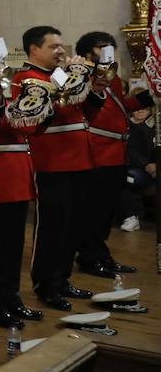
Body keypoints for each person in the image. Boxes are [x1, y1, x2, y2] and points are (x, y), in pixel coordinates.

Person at [14, 26, 96, 311]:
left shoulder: (56, 75)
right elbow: (53, 111)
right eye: (54, 47)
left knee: (72, 225)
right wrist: (72, 79)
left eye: (62, 46)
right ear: (34, 50)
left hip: (77, 160)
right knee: (52, 227)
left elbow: (82, 108)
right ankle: (45, 283)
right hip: (51, 163)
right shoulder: (26, 78)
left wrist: (90, 82)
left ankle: (62, 278)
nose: (62, 51)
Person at [77, 30, 147, 277]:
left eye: (110, 46)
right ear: (87, 53)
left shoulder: (113, 77)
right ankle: (90, 257)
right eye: (100, 47)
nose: (107, 50)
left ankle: (101, 254)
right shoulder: (82, 77)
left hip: (118, 153)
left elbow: (122, 106)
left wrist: (149, 96)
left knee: (108, 210)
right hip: (97, 153)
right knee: (94, 211)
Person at [0, 59, 44, 328]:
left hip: (17, 180)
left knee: (14, 246)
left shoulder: (5, 104)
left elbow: (28, 128)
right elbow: (0, 126)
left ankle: (11, 296)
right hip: (0, 181)